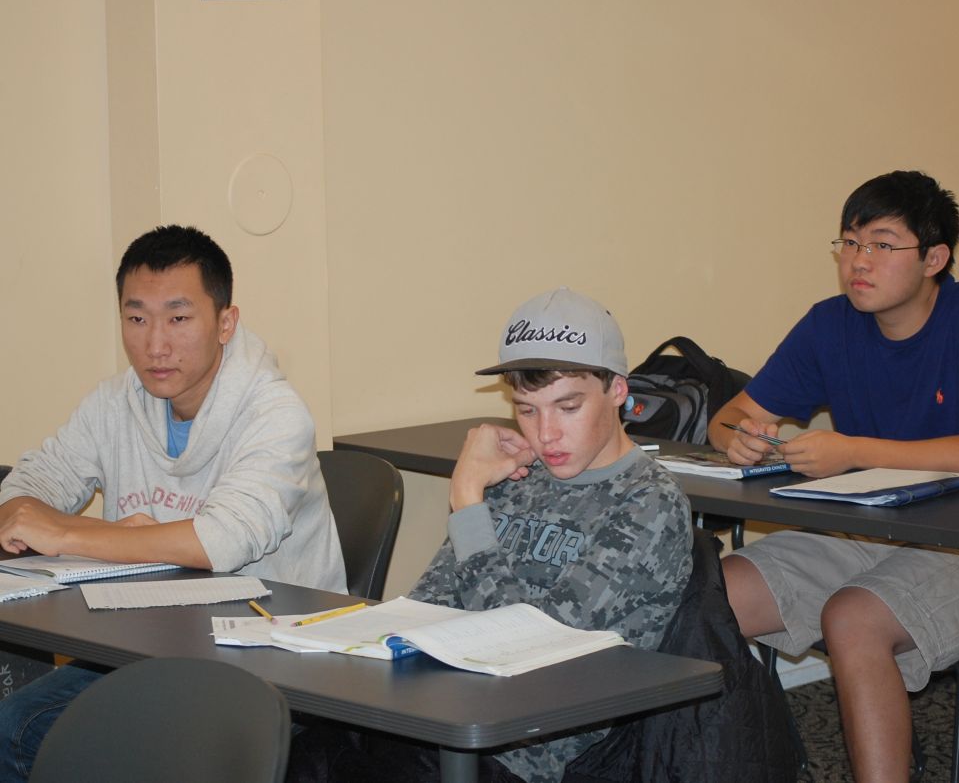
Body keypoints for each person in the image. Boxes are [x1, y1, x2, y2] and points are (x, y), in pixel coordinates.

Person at [286, 287, 694, 783]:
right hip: (441, 712)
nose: (546, 435)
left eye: (568, 408)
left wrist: (468, 497)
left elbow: (530, 651)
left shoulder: (649, 501)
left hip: (522, 750)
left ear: (618, 392)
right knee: (275, 740)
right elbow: (429, 603)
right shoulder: (515, 476)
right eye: (526, 409)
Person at [0, 224, 346, 783]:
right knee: (13, 726)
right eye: (137, 319)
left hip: (269, 664)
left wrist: (74, 536)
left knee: (81, 745)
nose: (154, 344)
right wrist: (100, 535)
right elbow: (27, 490)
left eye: (179, 319)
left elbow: (223, 539)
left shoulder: (275, 414)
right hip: (145, 646)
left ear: (225, 322)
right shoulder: (114, 402)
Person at [707, 170, 959, 783]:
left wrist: (853, 450)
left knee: (853, 618)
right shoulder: (829, 324)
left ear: (934, 258)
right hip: (862, 527)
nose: (858, 262)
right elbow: (733, 415)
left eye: (882, 244)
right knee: (709, 593)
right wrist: (735, 437)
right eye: (849, 242)